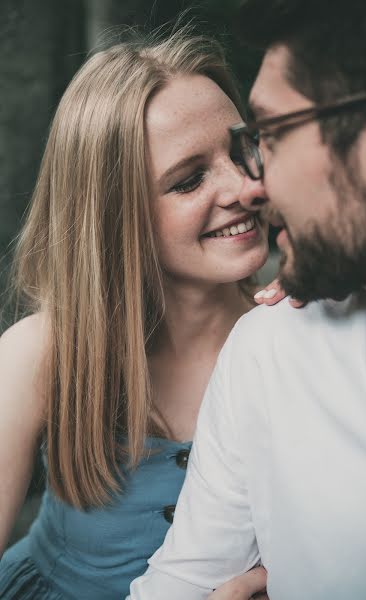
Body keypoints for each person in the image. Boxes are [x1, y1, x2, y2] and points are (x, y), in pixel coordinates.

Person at [0, 26, 284, 600]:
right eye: (188, 180)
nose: (245, 187)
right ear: (113, 215)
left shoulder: (297, 331)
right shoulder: (42, 351)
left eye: (243, 149)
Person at [129, 1, 366, 599]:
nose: (251, 186)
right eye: (187, 178)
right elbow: (179, 583)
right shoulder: (269, 350)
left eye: (270, 137)